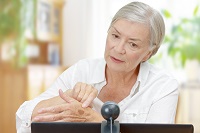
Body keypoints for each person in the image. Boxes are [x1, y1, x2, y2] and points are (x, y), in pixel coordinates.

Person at [16, 1, 179, 133]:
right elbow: (24, 116)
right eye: (115, 36)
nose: (118, 48)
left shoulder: (163, 86)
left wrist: (93, 120)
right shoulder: (82, 70)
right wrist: (69, 96)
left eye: (132, 44)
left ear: (148, 53)